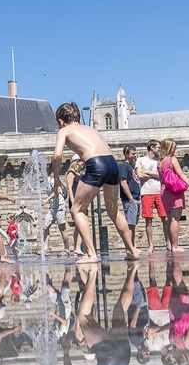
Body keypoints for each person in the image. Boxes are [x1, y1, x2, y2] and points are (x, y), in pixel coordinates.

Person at [51, 102, 139, 263]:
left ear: (60, 121)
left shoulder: (64, 130)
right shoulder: (92, 129)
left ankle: (91, 254)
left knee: (77, 210)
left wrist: (56, 178)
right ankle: (131, 250)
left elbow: (57, 155)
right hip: (112, 163)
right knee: (114, 211)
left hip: (96, 163)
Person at [63, 262, 135, 365]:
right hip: (108, 360)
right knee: (83, 316)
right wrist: (66, 351)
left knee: (119, 311)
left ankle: (133, 270)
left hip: (124, 359)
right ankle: (93, 272)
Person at [158, 138, 189, 253]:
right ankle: (175, 245)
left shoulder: (160, 162)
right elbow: (181, 174)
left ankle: (171, 245)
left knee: (169, 218)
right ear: (168, 147)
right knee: (175, 219)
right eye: (173, 147)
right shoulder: (171, 159)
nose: (175, 149)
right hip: (174, 190)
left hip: (164, 191)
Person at [135, 140, 166, 254]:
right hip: (146, 192)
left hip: (160, 192)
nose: (160, 150)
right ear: (152, 147)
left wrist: (148, 172)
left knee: (165, 218)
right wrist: (155, 175)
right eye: (158, 147)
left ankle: (168, 243)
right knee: (148, 220)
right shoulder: (141, 160)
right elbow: (139, 175)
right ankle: (150, 245)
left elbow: (162, 176)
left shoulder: (160, 161)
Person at [119, 145, 141, 244]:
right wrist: (130, 198)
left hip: (135, 198)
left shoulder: (132, 166)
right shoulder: (124, 166)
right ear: (126, 154)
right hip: (130, 199)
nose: (135, 156)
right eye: (132, 154)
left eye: (135, 153)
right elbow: (123, 182)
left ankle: (132, 246)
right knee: (130, 224)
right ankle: (130, 247)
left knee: (133, 224)